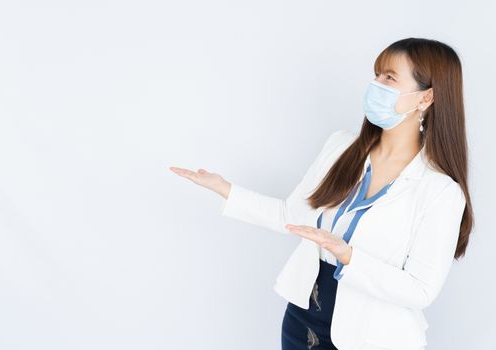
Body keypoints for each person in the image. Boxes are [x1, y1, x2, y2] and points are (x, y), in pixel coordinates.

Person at [169, 37, 473, 350]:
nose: (376, 84)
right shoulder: (341, 147)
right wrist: (225, 189)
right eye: (377, 75)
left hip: (373, 338)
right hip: (303, 321)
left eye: (390, 78)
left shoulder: (440, 191)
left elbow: (421, 289)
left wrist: (349, 257)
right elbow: (293, 216)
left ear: (426, 97)